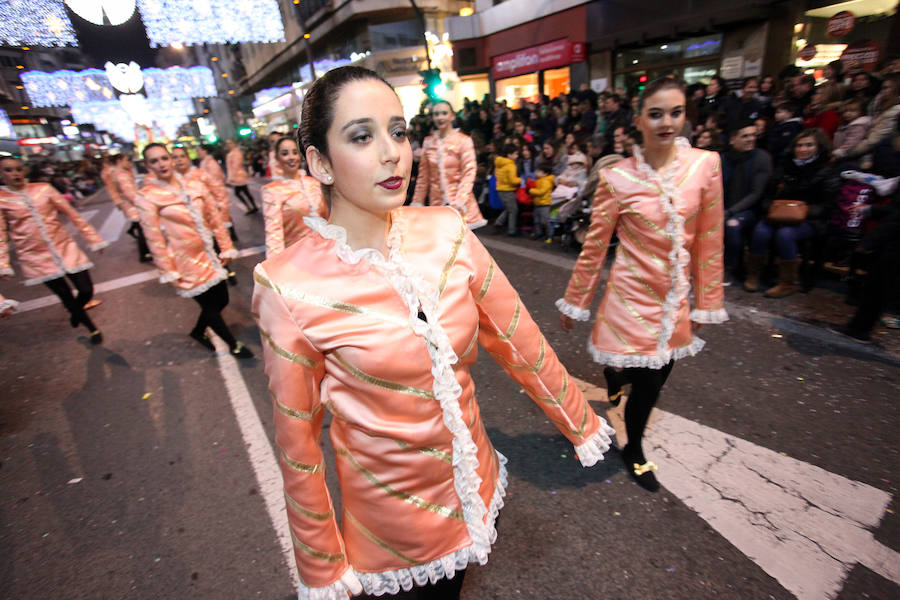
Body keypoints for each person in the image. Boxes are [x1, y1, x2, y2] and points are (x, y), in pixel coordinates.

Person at [251, 65, 614, 600]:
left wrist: (579, 421)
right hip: (393, 535)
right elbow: (297, 443)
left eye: (398, 131)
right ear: (320, 163)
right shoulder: (288, 285)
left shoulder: (446, 229)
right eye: (361, 136)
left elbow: (517, 335)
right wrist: (323, 566)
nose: (391, 152)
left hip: (476, 488)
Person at [557, 77, 727, 492]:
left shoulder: (706, 165)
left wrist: (707, 302)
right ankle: (633, 448)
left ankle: (617, 380)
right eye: (655, 114)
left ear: (685, 116)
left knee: (658, 373)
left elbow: (710, 238)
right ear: (638, 120)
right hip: (629, 298)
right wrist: (574, 301)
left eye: (675, 112)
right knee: (648, 383)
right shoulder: (618, 178)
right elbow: (595, 247)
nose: (666, 122)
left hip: (674, 301)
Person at [137, 144, 252, 358]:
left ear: (172, 160)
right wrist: (167, 270)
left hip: (209, 254)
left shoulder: (194, 185)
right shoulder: (148, 196)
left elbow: (215, 220)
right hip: (184, 259)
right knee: (209, 305)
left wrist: (226, 248)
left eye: (164, 158)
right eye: (154, 161)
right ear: (146, 166)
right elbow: (154, 239)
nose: (161, 164)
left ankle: (198, 331)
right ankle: (232, 345)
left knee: (222, 300)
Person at [0, 156, 108, 343]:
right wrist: (3, 263)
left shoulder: (43, 188)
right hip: (35, 256)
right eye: (8, 170)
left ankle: (76, 313)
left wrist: (93, 237)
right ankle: (91, 328)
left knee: (86, 290)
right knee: (65, 295)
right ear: (1, 174)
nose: (15, 173)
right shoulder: (2, 200)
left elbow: (71, 213)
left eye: (18, 169)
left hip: (65, 247)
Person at [744, 128, 837, 297]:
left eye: (809, 145)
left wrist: (798, 211)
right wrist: (771, 208)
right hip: (778, 214)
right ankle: (753, 275)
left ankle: (787, 283)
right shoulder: (785, 166)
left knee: (785, 235)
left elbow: (827, 206)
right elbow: (768, 194)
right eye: (799, 145)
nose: (803, 149)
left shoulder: (827, 170)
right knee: (760, 232)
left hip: (809, 219)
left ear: (818, 147)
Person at [411, 100, 488, 229]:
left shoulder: (464, 140)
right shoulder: (428, 142)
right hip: (437, 205)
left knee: (463, 247)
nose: (440, 117)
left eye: (444, 113)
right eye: (436, 114)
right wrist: (417, 202)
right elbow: (423, 177)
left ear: (452, 116)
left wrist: (459, 201)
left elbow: (469, 172)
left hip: (462, 206)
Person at [721, 122, 773, 282]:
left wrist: (729, 212)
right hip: (724, 206)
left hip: (751, 209)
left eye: (753, 135)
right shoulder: (724, 158)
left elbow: (756, 194)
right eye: (745, 136)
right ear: (733, 139)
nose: (750, 139)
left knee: (732, 225)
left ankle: (731, 267)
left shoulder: (762, 158)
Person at [261, 136, 327, 256]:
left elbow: (328, 217)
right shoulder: (272, 191)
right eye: (285, 153)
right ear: (277, 158)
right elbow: (274, 233)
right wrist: (276, 265)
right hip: (297, 257)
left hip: (326, 251)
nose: (291, 157)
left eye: (295, 152)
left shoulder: (314, 183)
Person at [108, 153, 152, 262]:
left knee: (141, 228)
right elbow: (130, 193)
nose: (129, 163)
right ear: (119, 160)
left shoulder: (116, 173)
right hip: (133, 206)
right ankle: (145, 253)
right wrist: (143, 202)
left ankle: (145, 252)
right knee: (143, 230)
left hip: (129, 205)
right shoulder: (121, 174)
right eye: (127, 160)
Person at [197, 144, 235, 240]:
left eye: (198, 150)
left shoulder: (210, 163)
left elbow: (216, 181)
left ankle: (228, 238)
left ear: (205, 151)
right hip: (212, 195)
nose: (197, 153)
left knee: (221, 218)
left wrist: (215, 198)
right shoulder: (205, 162)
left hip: (216, 195)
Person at [493, 143, 521, 236]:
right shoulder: (511, 165)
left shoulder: (499, 163)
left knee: (509, 208)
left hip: (500, 188)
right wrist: (520, 180)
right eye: (515, 154)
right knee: (513, 210)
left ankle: (499, 222)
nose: (517, 156)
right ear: (509, 154)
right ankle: (511, 230)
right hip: (508, 189)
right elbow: (513, 180)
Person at [225, 138, 259, 214]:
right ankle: (252, 206)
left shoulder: (236, 153)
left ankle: (251, 207)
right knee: (244, 192)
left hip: (239, 177)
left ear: (234, 143)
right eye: (227, 143)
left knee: (239, 193)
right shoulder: (232, 153)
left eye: (230, 143)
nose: (228, 145)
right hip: (237, 176)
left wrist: (231, 177)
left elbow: (235, 165)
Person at [528, 161, 554, 241]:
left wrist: (531, 191)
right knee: (537, 221)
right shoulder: (538, 180)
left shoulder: (546, 181)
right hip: (538, 204)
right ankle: (538, 234)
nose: (536, 172)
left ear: (545, 173)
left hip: (544, 204)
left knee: (544, 221)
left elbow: (541, 192)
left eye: (539, 171)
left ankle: (549, 235)